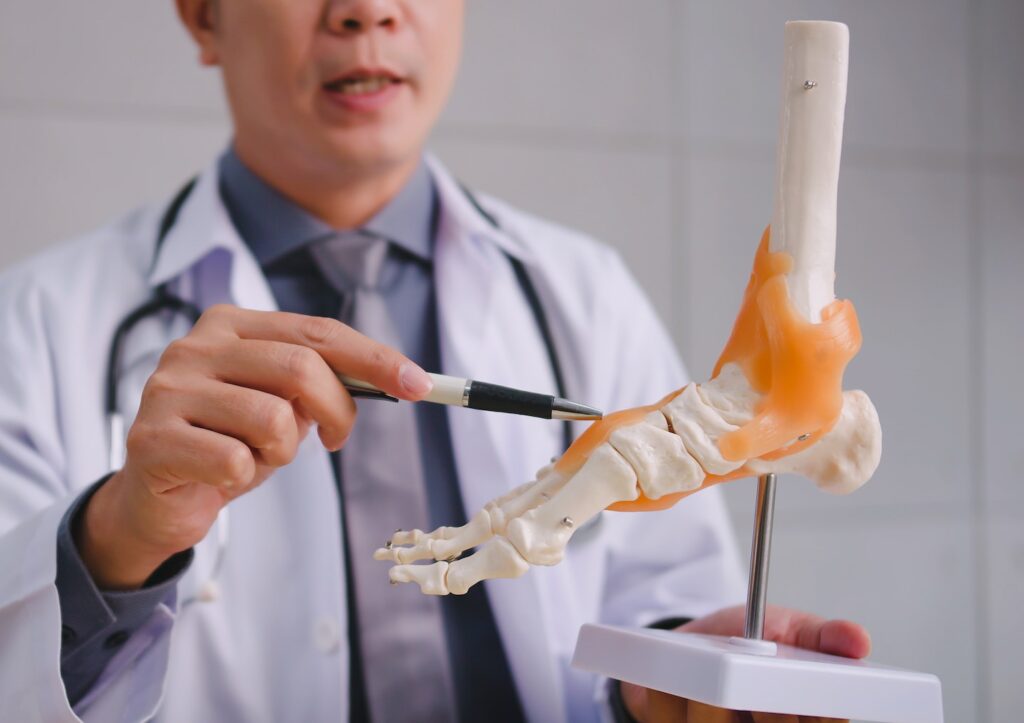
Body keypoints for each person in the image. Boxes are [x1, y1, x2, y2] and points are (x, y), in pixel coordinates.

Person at [0, 1, 870, 721]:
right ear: (202, 15)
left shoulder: (585, 289)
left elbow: (665, 602)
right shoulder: (36, 322)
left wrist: (662, 688)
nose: (367, 12)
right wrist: (117, 538)